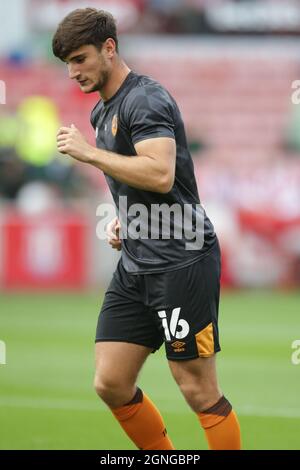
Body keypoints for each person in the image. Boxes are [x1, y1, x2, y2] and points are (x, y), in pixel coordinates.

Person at [52, 8, 241, 450]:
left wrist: (89, 154)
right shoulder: (103, 112)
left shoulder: (146, 99)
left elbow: (160, 174)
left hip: (182, 259)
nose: (73, 72)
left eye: (80, 59)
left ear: (110, 48)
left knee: (197, 389)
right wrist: (128, 219)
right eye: (67, 63)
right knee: (111, 381)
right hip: (137, 260)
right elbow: (145, 188)